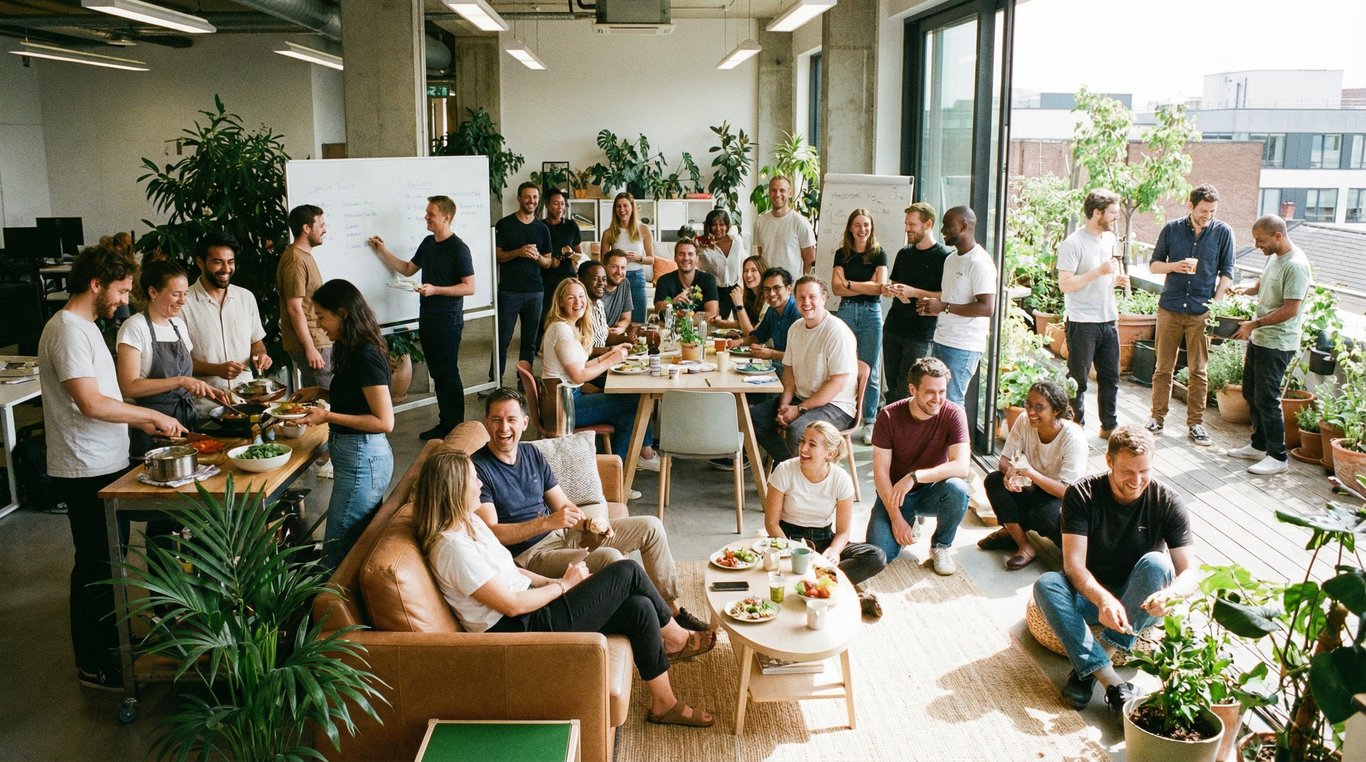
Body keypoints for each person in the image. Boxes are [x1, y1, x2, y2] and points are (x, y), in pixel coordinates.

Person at [416, 449, 716, 728]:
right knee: (626, 571)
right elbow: (510, 605)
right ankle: (677, 637)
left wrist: (550, 582)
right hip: (519, 629)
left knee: (638, 608)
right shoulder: (451, 548)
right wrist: (563, 585)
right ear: (454, 490)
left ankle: (664, 704)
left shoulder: (468, 522)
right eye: (473, 478)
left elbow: (509, 569)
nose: (479, 482)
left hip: (535, 607)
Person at [39, 245, 185, 689]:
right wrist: (150, 416)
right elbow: (90, 402)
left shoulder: (84, 327)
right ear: (97, 284)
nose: (125, 300)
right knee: (96, 567)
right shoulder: (66, 330)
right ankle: (93, 664)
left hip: (105, 460)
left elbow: (104, 397)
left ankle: (111, 643)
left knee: (110, 563)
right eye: (121, 290)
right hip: (83, 466)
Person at [472, 388, 707, 631]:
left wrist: (588, 524)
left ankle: (671, 607)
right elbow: (491, 532)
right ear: (486, 422)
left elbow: (562, 505)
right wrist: (546, 523)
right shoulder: (478, 469)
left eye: (511, 420)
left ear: (524, 422)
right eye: (496, 420)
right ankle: (657, 626)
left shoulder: (531, 453)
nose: (504, 428)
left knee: (651, 527)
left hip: (562, 535)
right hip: (530, 555)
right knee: (612, 559)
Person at [1032, 425, 1198, 713]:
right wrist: (1102, 599)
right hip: (1090, 595)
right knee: (1046, 585)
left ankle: (1090, 667)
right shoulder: (1081, 493)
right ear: (1109, 461)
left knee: (1158, 564)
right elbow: (1073, 566)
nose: (1136, 481)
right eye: (1127, 472)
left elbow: (1190, 574)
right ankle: (1111, 681)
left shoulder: (1167, 500)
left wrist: (1172, 595)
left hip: (1137, 600)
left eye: (1144, 471)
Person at [294, 279, 395, 569]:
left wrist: (327, 416)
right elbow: (357, 397)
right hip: (357, 456)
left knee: (337, 554)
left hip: (363, 459)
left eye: (322, 317)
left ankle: (331, 610)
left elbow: (383, 420)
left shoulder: (366, 355)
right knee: (350, 544)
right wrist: (320, 393)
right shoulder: (350, 347)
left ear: (344, 313)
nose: (320, 325)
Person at [367, 194, 476, 440]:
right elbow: (408, 268)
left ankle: (454, 426)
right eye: (426, 213)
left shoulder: (459, 248)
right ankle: (445, 423)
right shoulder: (428, 243)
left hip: (448, 320)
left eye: (431, 214)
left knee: (447, 373)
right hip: (427, 317)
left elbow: (469, 287)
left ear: (446, 217)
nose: (425, 217)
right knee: (438, 373)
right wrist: (382, 250)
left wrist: (435, 289)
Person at [764, 421, 888, 617]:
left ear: (829, 454)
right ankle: (844, 595)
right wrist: (792, 551)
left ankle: (811, 587)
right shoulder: (784, 470)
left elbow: (843, 532)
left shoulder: (841, 479)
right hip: (786, 540)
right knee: (768, 572)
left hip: (823, 539)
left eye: (812, 445)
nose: (803, 449)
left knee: (876, 556)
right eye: (802, 441)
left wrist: (834, 551)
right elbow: (771, 523)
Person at [1146, 184, 1235, 446]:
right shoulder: (1172, 229)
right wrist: (1176, 266)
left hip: (1202, 311)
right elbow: (1153, 265)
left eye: (1212, 211)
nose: (1208, 215)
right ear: (1190, 206)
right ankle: (1157, 418)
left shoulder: (1223, 232)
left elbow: (1227, 272)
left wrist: (1215, 305)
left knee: (1198, 371)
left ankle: (1196, 424)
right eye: (1203, 210)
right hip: (1170, 307)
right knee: (1163, 368)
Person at [866, 357, 971, 576]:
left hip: (933, 490)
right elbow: (880, 473)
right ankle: (907, 520)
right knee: (879, 554)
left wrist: (914, 476)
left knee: (958, 488)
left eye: (942, 391)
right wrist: (896, 518)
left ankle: (941, 546)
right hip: (896, 495)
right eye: (930, 392)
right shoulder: (888, 416)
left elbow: (962, 466)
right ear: (913, 389)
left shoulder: (954, 413)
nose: (938, 399)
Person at [541, 278, 660, 468]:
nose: (578, 302)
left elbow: (583, 365)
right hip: (564, 406)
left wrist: (611, 353)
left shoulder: (568, 326)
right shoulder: (561, 329)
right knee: (637, 400)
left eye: (581, 296)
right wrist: (611, 360)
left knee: (628, 416)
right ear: (561, 302)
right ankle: (641, 457)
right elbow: (578, 376)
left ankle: (617, 477)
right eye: (571, 297)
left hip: (569, 399)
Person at [115, 258, 228, 457]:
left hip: (185, 422)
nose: (183, 301)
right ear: (153, 292)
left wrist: (211, 391)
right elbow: (128, 386)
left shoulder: (178, 326)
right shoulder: (134, 327)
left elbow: (185, 370)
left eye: (185, 294)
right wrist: (180, 381)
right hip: (152, 429)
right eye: (176, 294)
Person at [1227, 215, 1312, 475]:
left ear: (1278, 235)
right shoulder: (1274, 258)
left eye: (1260, 240)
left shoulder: (1295, 265)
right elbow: (1263, 285)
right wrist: (1247, 289)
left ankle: (1278, 457)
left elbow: (1291, 309)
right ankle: (1259, 444)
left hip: (1278, 343)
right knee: (1251, 392)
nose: (1256, 245)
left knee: (1267, 398)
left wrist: (1254, 324)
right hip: (1261, 339)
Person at [979, 381, 1089, 570]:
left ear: (1056, 410)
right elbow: (1004, 460)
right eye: (1028, 404)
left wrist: (1029, 472)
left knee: (1044, 515)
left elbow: (1066, 491)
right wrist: (1011, 474)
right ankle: (1024, 546)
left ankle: (1011, 532)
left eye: (1039, 407)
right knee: (994, 480)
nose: (1031, 411)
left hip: (1063, 499)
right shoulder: (1023, 420)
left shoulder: (1073, 437)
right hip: (1033, 487)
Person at [751, 276, 857, 463]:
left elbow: (837, 383)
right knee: (754, 418)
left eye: (812, 297)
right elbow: (789, 371)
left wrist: (799, 410)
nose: (806, 302)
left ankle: (804, 480)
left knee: (798, 431)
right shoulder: (796, 328)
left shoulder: (836, 332)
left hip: (836, 405)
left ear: (823, 299)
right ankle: (787, 466)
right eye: (801, 297)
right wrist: (784, 405)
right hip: (804, 398)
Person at [1058, 189, 1129, 438]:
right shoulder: (1073, 243)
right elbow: (1065, 284)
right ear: (1096, 213)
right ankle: (1075, 428)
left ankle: (1109, 426)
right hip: (1082, 321)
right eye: (1112, 213)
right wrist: (1097, 272)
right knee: (1078, 380)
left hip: (1108, 318)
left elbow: (1106, 273)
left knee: (1111, 376)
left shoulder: (1109, 240)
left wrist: (1115, 279)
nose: (1116, 217)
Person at [181, 232, 271, 413]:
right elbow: (180, 362)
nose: (226, 268)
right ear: (200, 262)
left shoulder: (246, 297)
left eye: (230, 262)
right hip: (204, 407)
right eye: (217, 262)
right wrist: (216, 369)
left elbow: (256, 342)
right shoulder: (183, 303)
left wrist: (260, 356)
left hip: (248, 402)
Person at [918, 206, 996, 409]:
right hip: (941, 339)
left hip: (964, 345)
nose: (942, 229)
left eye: (947, 225)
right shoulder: (951, 259)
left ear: (964, 226)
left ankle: (958, 442)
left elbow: (987, 308)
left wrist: (944, 307)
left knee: (951, 403)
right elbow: (949, 299)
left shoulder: (979, 262)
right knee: (936, 401)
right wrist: (933, 307)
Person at [882, 203, 951, 407]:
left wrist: (914, 292)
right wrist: (889, 289)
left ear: (928, 224)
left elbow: (944, 296)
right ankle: (892, 427)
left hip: (920, 333)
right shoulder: (904, 253)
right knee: (892, 384)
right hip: (894, 327)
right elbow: (894, 283)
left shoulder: (944, 257)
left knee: (908, 387)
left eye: (912, 224)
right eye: (906, 223)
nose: (907, 228)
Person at [831, 208, 888, 442]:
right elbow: (835, 288)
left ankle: (870, 421)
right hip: (845, 311)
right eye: (857, 225)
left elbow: (880, 287)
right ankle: (843, 414)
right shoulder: (841, 253)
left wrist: (850, 283)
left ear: (871, 227)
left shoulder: (878, 253)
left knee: (870, 370)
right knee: (843, 365)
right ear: (850, 228)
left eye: (866, 225)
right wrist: (867, 283)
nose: (862, 229)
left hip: (871, 313)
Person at [492, 182, 554, 386]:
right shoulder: (505, 224)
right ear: (518, 198)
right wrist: (518, 252)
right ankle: (495, 381)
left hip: (535, 292)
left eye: (535, 197)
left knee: (530, 342)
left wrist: (536, 257)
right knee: (502, 339)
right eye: (527, 197)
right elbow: (497, 256)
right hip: (509, 291)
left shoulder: (542, 228)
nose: (531, 201)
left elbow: (548, 261)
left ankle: (524, 381)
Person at [278, 204, 333, 390]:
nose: (324, 230)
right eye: (321, 224)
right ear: (306, 228)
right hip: (312, 342)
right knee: (323, 399)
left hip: (318, 339)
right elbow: (294, 307)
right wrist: (310, 348)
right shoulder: (295, 260)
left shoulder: (304, 256)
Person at [600, 193, 654, 323]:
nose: (622, 210)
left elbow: (652, 259)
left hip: (637, 278)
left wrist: (639, 258)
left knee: (638, 321)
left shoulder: (644, 229)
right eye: (618, 206)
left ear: (632, 208)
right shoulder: (608, 233)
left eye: (625, 205)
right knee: (616, 320)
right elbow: (603, 262)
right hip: (616, 279)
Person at [539, 188, 584, 347]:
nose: (559, 208)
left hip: (566, 276)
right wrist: (548, 260)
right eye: (556, 204)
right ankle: (545, 346)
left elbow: (580, 254)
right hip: (545, 277)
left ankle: (568, 344)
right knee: (545, 313)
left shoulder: (571, 226)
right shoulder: (539, 226)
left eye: (562, 204)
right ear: (547, 205)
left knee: (568, 313)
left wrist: (571, 254)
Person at [752, 176, 816, 280]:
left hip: (791, 288)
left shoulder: (800, 222)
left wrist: (801, 286)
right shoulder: (760, 221)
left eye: (782, 190)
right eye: (773, 190)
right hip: (767, 286)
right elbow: (758, 256)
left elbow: (810, 259)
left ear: (790, 193)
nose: (777, 194)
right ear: (769, 193)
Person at [741, 266, 800, 375]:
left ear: (788, 289)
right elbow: (758, 337)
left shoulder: (798, 314)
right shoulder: (772, 311)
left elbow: (800, 357)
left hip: (796, 372)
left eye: (777, 288)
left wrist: (771, 354)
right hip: (778, 366)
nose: (771, 293)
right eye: (767, 289)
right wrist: (735, 343)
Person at [696, 208, 748, 319]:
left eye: (722, 224)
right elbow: (701, 269)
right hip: (716, 290)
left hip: (736, 288)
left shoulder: (737, 240)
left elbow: (743, 262)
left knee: (741, 322)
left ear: (728, 225)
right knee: (717, 324)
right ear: (709, 226)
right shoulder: (703, 247)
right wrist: (701, 247)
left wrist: (743, 286)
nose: (718, 228)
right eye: (714, 225)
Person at [653, 237, 720, 321]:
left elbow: (712, 314)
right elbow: (658, 309)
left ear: (697, 259)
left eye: (690, 254)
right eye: (681, 254)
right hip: (670, 330)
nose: (686, 258)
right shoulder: (664, 280)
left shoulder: (708, 280)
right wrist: (672, 303)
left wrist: (680, 316)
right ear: (675, 258)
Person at [718, 254, 768, 334]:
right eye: (745, 271)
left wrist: (739, 306)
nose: (748, 275)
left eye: (754, 270)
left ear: (762, 273)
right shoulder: (749, 296)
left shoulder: (768, 299)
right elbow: (747, 325)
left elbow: (752, 334)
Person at [600, 249, 635, 334]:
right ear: (604, 267)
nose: (619, 272)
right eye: (614, 267)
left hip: (613, 335)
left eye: (623, 268)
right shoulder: (596, 287)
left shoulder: (625, 283)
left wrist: (621, 328)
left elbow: (626, 318)